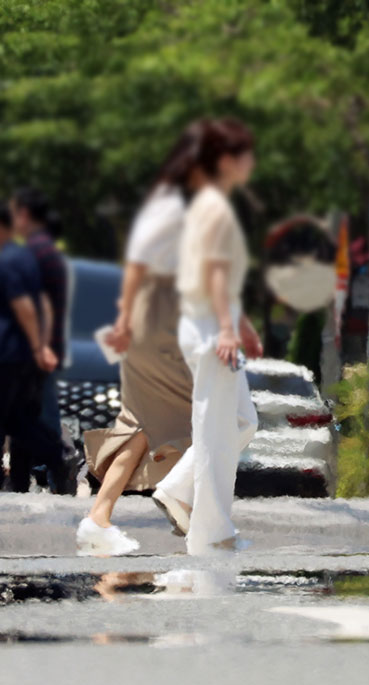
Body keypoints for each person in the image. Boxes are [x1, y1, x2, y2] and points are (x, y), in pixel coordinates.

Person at [77, 121, 207, 555]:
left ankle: (100, 513)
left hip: (153, 327)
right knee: (206, 418)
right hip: (159, 330)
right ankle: (196, 519)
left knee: (145, 428)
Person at [150, 118, 262, 555]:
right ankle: (212, 534)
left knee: (240, 421)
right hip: (210, 326)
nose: (252, 162)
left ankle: (179, 491)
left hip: (212, 321)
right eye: (247, 154)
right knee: (215, 431)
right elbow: (215, 271)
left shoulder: (211, 205)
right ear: (228, 160)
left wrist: (242, 324)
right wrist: (229, 329)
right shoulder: (213, 206)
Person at [0, 199, 65, 493]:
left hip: (5, 355)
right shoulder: (25, 257)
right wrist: (42, 345)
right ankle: (27, 477)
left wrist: (40, 346)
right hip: (24, 357)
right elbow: (44, 305)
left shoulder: (6, 260)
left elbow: (23, 305)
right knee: (20, 420)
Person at [10, 187, 75, 494]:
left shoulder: (33, 253)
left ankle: (60, 460)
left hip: (34, 350)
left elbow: (37, 306)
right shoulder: (48, 251)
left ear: (24, 214)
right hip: (44, 347)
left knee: (39, 416)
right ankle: (25, 479)